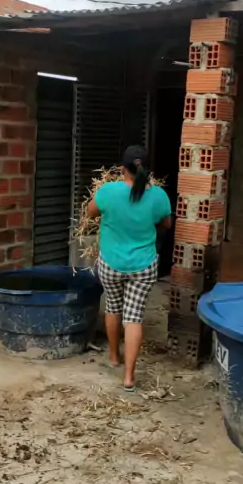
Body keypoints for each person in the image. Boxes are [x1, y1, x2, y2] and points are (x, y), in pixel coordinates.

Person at [87, 145, 173, 392]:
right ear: (148, 169)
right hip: (143, 265)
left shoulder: (108, 191)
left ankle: (114, 356)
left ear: (121, 168)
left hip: (111, 263)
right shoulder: (159, 196)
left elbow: (90, 213)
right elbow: (166, 224)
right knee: (133, 317)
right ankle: (129, 377)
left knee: (113, 307)